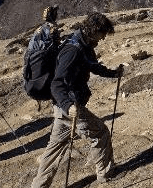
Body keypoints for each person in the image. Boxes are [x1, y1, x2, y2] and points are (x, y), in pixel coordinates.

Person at [31, 12, 124, 188]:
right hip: (70, 108)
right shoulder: (73, 50)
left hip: (62, 109)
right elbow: (57, 84)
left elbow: (91, 65)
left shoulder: (82, 43)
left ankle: (39, 186)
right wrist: (68, 106)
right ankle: (105, 174)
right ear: (94, 30)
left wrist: (112, 73)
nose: (103, 38)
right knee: (101, 133)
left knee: (54, 148)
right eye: (102, 34)